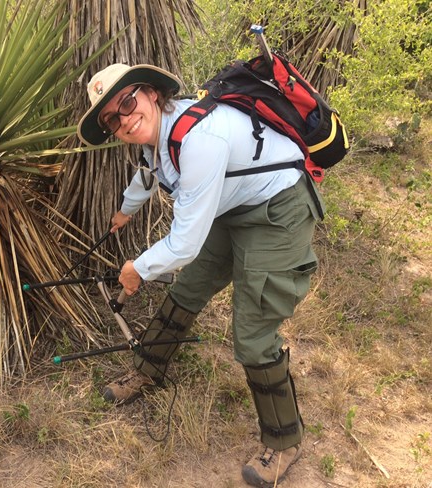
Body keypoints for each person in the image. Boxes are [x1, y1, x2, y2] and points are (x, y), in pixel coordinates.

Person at [76, 63, 324, 488]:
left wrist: (137, 269)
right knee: (188, 288)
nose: (124, 119)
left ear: (152, 93)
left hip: (279, 210)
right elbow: (148, 175)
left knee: (252, 330)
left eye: (128, 102)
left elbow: (184, 243)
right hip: (232, 210)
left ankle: (284, 441)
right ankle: (147, 371)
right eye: (112, 119)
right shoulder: (158, 140)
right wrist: (124, 211)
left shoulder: (200, 139)